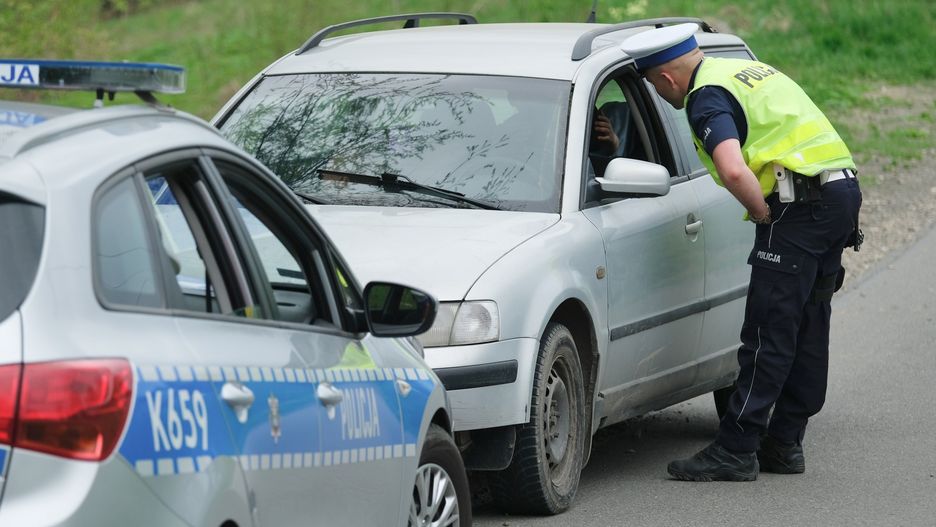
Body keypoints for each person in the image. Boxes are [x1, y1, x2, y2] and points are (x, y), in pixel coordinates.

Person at [621, 23, 862, 481]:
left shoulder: (705, 97)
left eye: (653, 83)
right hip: (840, 195)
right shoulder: (742, 70)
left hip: (797, 208)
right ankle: (785, 444)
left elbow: (732, 170)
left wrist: (762, 215)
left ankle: (736, 449)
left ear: (666, 79)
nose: (658, 91)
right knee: (809, 322)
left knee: (769, 330)